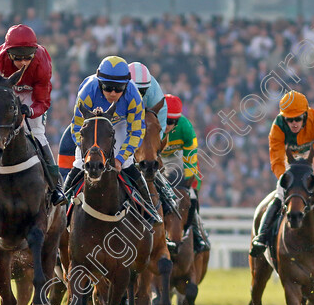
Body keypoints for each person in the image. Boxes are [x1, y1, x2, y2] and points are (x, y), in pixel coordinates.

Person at [0, 23, 66, 214]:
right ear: (8, 53)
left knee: (37, 133)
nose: (24, 62)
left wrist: (30, 111)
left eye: (28, 57)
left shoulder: (42, 62)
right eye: (18, 58)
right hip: (6, 91)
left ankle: (56, 186)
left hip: (31, 96)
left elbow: (43, 100)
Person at [63, 55, 159, 224]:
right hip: (93, 126)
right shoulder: (87, 91)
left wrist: (120, 158)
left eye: (119, 88)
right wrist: (87, 152)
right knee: (79, 163)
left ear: (127, 85)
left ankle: (148, 208)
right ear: (100, 83)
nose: (113, 93)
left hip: (120, 124)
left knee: (128, 163)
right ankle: (62, 207)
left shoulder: (133, 95)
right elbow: (77, 127)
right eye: (108, 88)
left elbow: (136, 131)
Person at [250, 90, 314, 257]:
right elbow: (276, 159)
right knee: (280, 195)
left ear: (305, 115)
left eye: (297, 119)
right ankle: (262, 236)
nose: (294, 123)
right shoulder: (277, 126)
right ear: (284, 118)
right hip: (291, 163)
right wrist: (283, 177)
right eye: (290, 119)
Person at [161, 94, 209, 253]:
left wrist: (189, 183)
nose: (168, 126)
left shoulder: (186, 128)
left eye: (172, 122)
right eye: (166, 120)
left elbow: (191, 160)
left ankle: (196, 232)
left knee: (192, 193)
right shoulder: (151, 122)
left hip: (179, 158)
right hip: (157, 157)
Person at [128, 61, 177, 214]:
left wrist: (153, 149)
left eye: (142, 91)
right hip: (124, 123)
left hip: (149, 126)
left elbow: (159, 127)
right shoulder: (117, 90)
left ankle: (167, 198)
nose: (139, 94)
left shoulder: (155, 96)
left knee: (153, 158)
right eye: (136, 90)